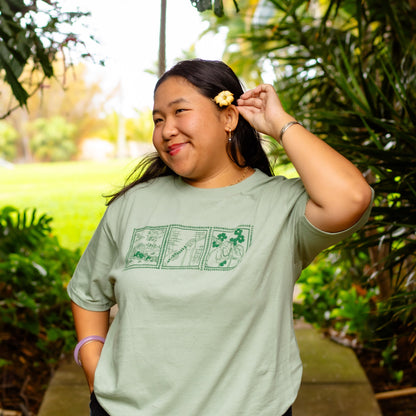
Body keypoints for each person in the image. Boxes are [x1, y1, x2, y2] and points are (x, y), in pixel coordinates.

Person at [67, 59, 373, 416]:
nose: (166, 130)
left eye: (180, 111)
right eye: (158, 119)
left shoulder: (281, 207)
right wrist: (93, 362)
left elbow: (352, 197)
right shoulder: (133, 204)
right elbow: (88, 293)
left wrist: (279, 124)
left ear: (228, 117)